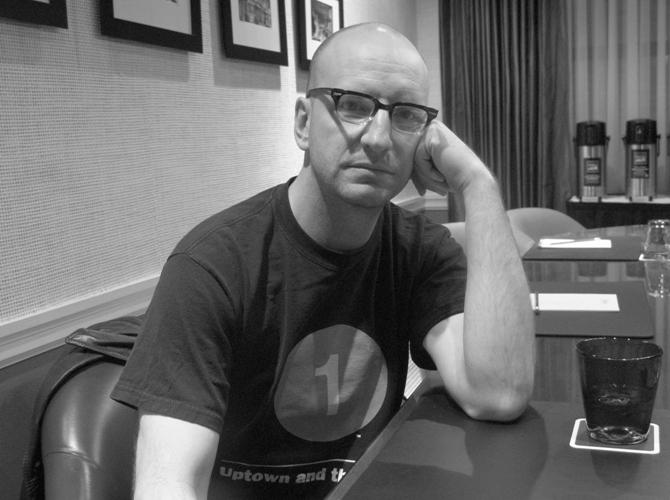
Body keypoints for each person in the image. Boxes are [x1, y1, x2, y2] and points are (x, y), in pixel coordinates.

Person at [111, 22, 535, 500]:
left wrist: (478, 185)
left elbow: (499, 394)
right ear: (303, 123)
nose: (378, 138)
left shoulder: (420, 250)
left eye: (405, 115)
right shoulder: (212, 265)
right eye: (353, 105)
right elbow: (167, 484)